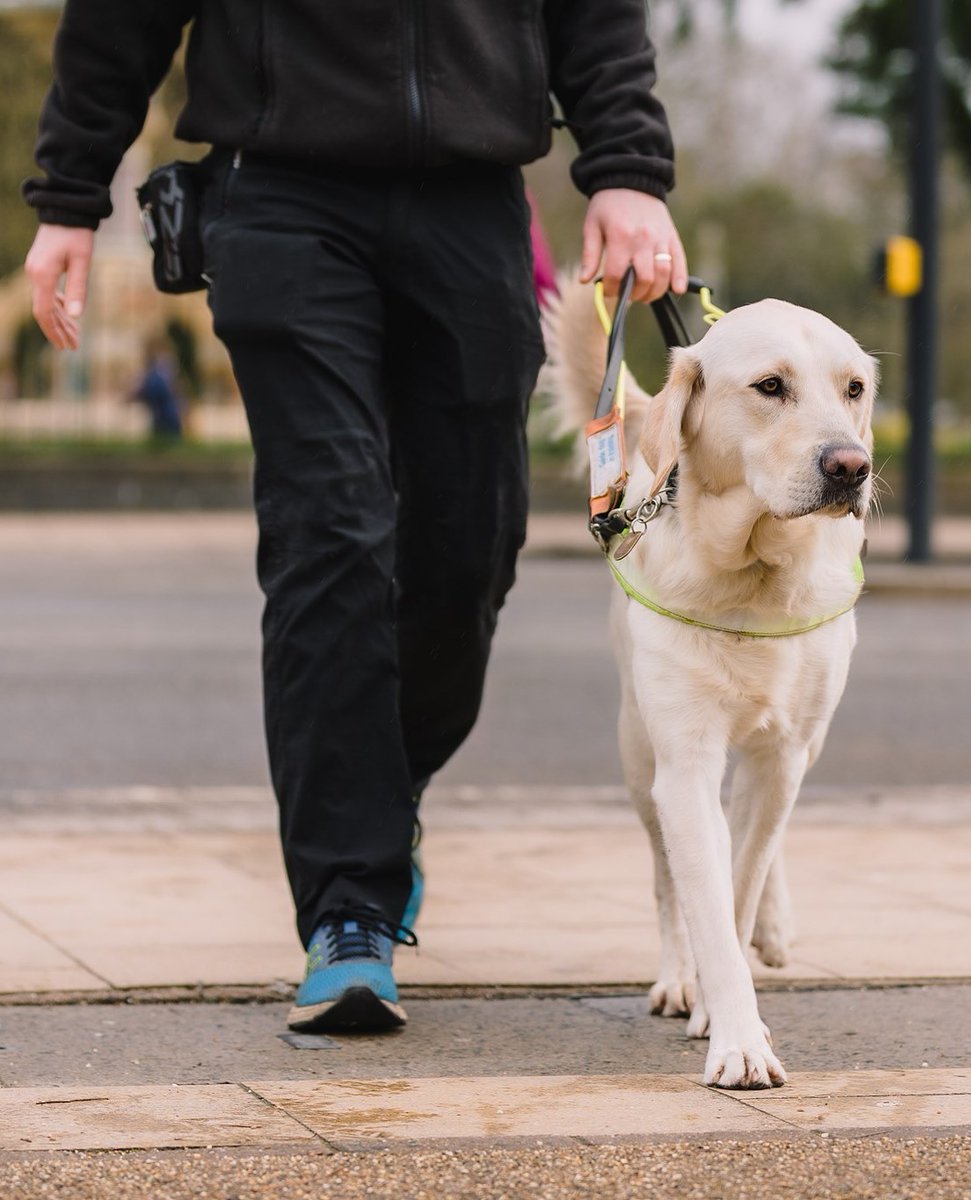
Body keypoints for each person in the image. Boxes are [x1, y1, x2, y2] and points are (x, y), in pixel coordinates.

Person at [23, 0, 688, 1034]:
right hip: (279, 192)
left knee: (468, 552)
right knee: (329, 535)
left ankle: (380, 794)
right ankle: (348, 911)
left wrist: (629, 166)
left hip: (473, 204)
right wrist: (70, 196)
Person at [132, 337, 186, 440]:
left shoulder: (161, 368)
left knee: (166, 441)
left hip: (167, 417)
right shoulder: (158, 369)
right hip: (164, 416)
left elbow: (162, 388)